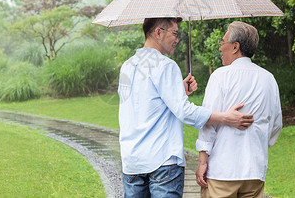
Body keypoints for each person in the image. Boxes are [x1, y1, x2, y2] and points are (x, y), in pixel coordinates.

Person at [118, 17, 255, 197]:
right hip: (162, 160)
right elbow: (185, 111)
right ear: (158, 32)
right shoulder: (166, 65)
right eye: (174, 33)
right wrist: (226, 118)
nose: (177, 39)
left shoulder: (127, 66)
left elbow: (143, 104)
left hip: (132, 161)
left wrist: (178, 91)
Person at [196, 21, 282, 198]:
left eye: (222, 43)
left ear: (235, 46)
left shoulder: (220, 76)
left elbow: (207, 123)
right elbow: (276, 124)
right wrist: (256, 145)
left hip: (222, 170)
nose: (220, 48)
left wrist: (203, 161)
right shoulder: (268, 79)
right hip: (255, 172)